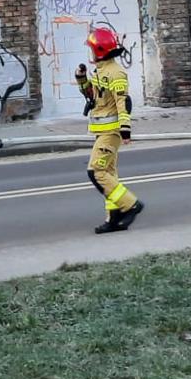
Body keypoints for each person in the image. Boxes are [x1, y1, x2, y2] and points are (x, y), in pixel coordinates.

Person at [77, 27, 144, 235]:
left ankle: (131, 204)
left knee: (96, 172)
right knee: (109, 173)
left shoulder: (116, 73)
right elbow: (94, 96)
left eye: (92, 49)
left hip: (111, 132)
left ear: (99, 51)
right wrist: (81, 79)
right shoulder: (101, 70)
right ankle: (113, 217)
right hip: (101, 130)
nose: (90, 54)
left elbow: (122, 103)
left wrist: (125, 131)